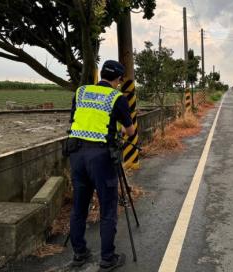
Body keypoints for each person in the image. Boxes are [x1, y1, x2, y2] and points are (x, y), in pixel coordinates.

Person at [67, 60, 135, 271]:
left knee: (79, 207)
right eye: (120, 80)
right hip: (101, 158)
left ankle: (79, 253)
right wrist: (119, 133)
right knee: (107, 209)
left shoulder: (81, 92)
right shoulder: (117, 98)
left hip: (76, 155)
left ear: (101, 75)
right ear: (118, 79)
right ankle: (107, 259)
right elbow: (130, 131)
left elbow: (74, 121)